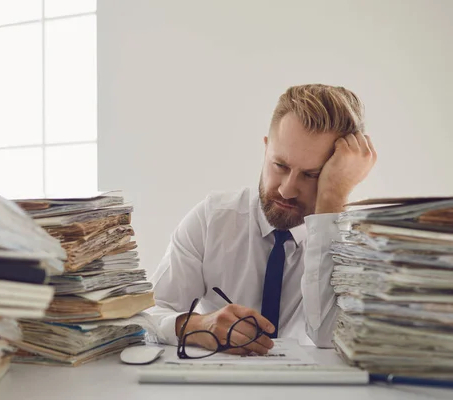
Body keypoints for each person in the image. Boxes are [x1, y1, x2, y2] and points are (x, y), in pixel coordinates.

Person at [147, 84, 377, 356]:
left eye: (311, 175)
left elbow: (328, 336)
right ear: (265, 149)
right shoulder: (213, 220)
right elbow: (148, 317)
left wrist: (331, 204)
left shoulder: (358, 243)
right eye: (280, 166)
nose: (287, 190)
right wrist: (198, 324)